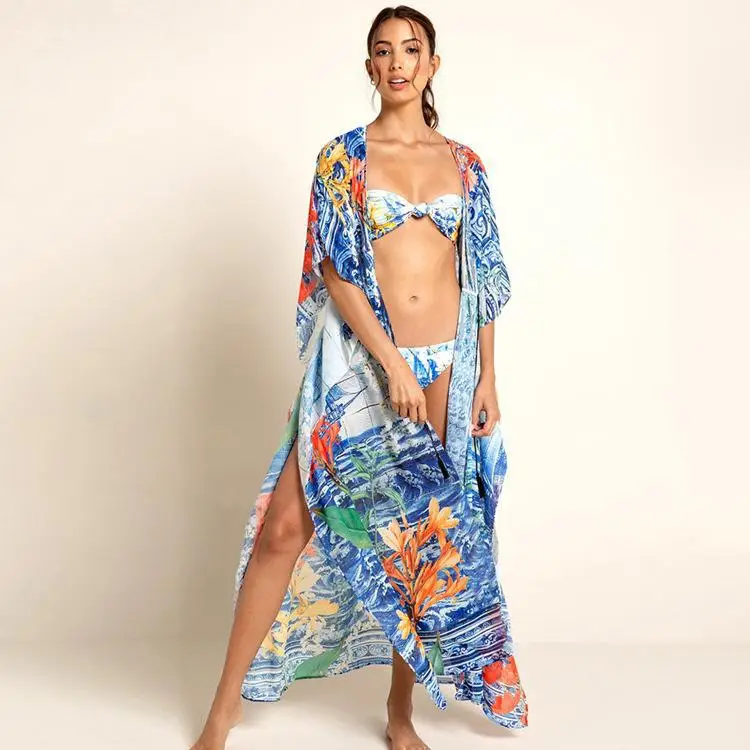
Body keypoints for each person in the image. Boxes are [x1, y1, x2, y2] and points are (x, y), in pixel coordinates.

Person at [190, 6, 528, 750]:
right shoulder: (342, 158)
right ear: (370, 66)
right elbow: (337, 271)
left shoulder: (466, 164)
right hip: (359, 366)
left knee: (417, 543)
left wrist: (487, 376)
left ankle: (400, 715)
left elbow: (482, 273)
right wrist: (391, 362)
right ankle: (222, 711)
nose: (398, 61)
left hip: (447, 365)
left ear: (432, 64)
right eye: (384, 50)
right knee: (285, 526)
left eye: (412, 48)